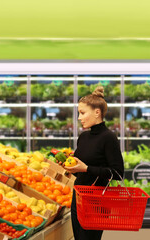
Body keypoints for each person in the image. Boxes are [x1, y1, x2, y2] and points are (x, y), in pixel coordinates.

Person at [60, 86, 124, 240]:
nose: (79, 118)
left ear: (97, 113)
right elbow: (80, 168)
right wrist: (72, 167)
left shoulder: (108, 138)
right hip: (78, 197)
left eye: (82, 113)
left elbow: (117, 173)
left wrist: (86, 168)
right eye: (78, 113)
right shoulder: (83, 137)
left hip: (97, 201)